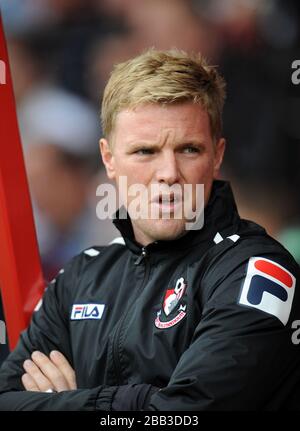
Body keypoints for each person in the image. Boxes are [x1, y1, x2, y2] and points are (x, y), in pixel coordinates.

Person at [0, 48, 299, 411]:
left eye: (189, 149)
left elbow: (183, 417)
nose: (169, 173)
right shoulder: (81, 275)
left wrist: (64, 402)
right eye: (145, 151)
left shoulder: (256, 270)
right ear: (109, 159)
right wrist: (139, 400)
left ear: (217, 156)